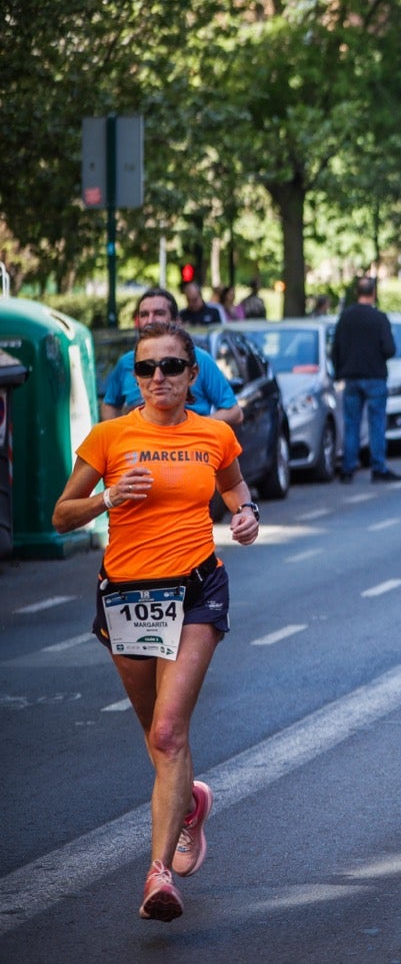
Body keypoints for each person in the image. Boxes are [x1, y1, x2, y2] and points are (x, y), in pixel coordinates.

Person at [51, 321, 260, 922]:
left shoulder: (214, 434)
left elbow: (237, 492)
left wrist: (246, 517)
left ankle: (159, 873)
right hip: (126, 599)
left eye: (171, 366)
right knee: (157, 739)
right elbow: (62, 516)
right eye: (146, 368)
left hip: (196, 591)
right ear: (135, 376)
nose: (159, 378)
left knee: (169, 733)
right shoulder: (110, 437)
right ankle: (191, 802)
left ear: (193, 374)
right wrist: (108, 500)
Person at [101, 288, 242, 428]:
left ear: (176, 321)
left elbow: (234, 412)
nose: (150, 320)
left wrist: (195, 428)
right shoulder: (127, 362)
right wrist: (121, 434)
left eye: (159, 313)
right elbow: (109, 404)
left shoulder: (200, 359)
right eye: (144, 314)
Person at [332, 276, 401, 484]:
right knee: (376, 423)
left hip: (351, 377)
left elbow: (335, 349)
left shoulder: (346, 317)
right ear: (374, 293)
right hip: (375, 377)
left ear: (357, 293)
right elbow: (389, 349)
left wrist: (340, 371)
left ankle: (348, 468)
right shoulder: (379, 318)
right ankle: (378, 468)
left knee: (351, 423)